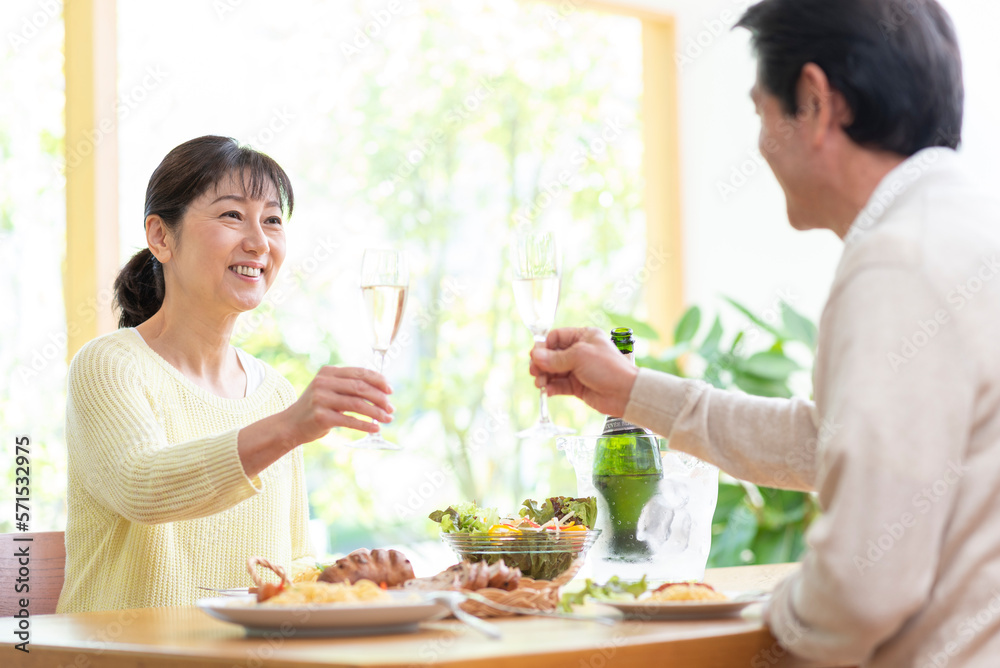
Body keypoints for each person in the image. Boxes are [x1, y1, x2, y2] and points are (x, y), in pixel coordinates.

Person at [532, 0, 1000, 665]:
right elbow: (829, 442)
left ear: (814, 101)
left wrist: (763, 626)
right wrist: (633, 393)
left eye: (759, 113)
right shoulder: (967, 229)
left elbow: (860, 591)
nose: (757, 145)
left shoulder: (899, 263)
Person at [57, 136, 394, 613]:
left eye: (273, 220)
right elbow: (144, 487)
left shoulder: (274, 392)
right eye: (232, 215)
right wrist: (291, 426)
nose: (258, 242)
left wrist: (358, 580)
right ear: (161, 237)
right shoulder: (108, 365)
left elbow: (292, 561)